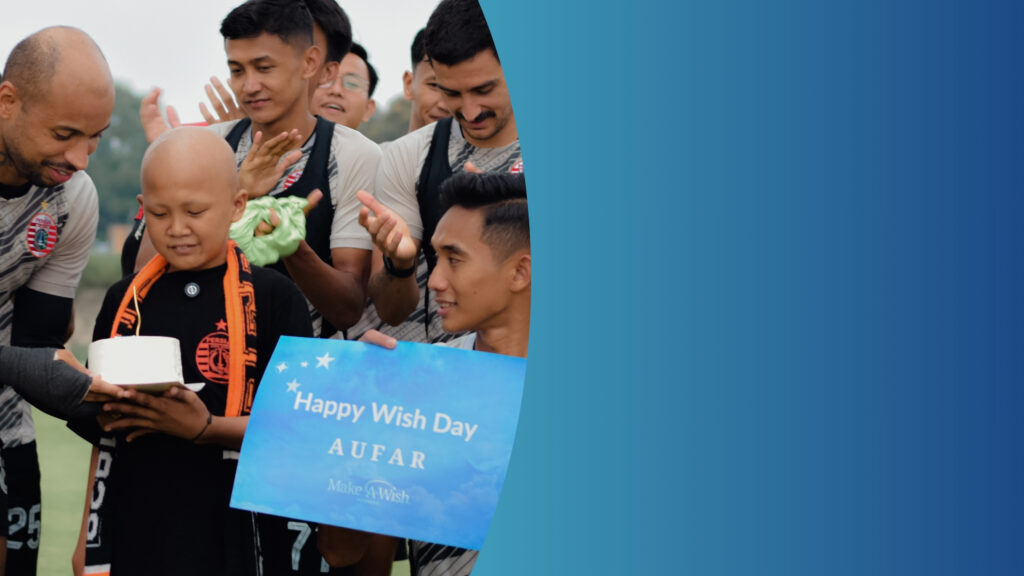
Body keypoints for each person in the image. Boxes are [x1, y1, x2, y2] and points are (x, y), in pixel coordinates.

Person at [72, 127, 313, 576]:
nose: (177, 229)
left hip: (238, 532)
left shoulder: (275, 298)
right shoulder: (126, 301)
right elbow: (104, 433)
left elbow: (297, 431)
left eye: (195, 211)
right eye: (159, 213)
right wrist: (88, 538)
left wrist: (206, 428)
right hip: (139, 525)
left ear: (237, 205)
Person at [322, 170, 530, 576]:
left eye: (454, 259)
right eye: (435, 260)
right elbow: (343, 554)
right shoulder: (416, 385)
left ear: (519, 272)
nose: (434, 280)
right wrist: (357, 429)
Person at [0, 26, 114, 573]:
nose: (81, 158)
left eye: (94, 137)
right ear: (8, 102)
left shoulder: (73, 198)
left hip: (6, 424)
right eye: (66, 133)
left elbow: (36, 344)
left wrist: (107, 408)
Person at [357, 0, 523, 348]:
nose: (470, 110)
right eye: (451, 93)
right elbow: (391, 310)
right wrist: (399, 265)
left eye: (483, 90)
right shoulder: (410, 155)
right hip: (442, 373)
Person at [311, 42, 378, 130]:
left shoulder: (369, 144)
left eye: (352, 83)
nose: (336, 90)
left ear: (368, 109)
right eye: (325, 78)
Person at [403, 28, 450, 133]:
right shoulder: (373, 149)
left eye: (456, 91)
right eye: (435, 85)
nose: (445, 106)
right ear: (409, 84)